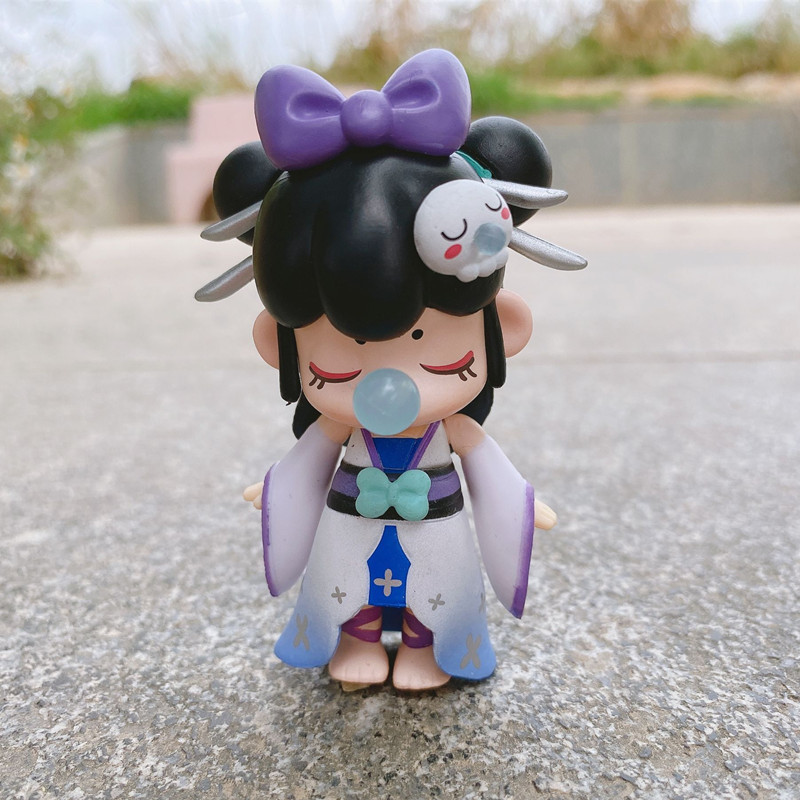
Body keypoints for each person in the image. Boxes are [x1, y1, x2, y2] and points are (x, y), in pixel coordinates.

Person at [198, 49, 586, 691]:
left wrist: (521, 504)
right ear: (276, 342)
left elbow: (488, 469)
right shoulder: (337, 427)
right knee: (346, 583)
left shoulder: (451, 428)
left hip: (435, 522)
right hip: (350, 520)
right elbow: (307, 462)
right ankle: (355, 641)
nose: (388, 380)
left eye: (420, 338)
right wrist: (280, 488)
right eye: (347, 345)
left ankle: (425, 649)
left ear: (506, 327)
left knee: (435, 587)